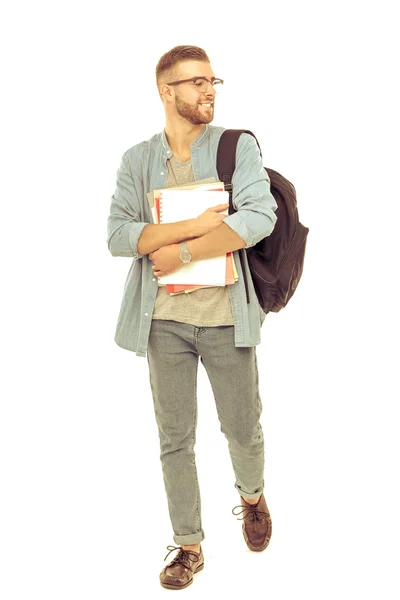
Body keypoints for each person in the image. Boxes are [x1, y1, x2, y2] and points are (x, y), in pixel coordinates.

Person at [107, 45, 278, 590]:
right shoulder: (138, 160)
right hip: (163, 322)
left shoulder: (235, 147)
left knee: (242, 430)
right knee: (174, 438)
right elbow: (118, 235)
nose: (209, 90)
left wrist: (177, 251)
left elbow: (257, 216)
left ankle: (252, 496)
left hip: (227, 316)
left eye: (213, 80)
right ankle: (189, 546)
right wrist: (193, 225)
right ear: (167, 90)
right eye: (196, 81)